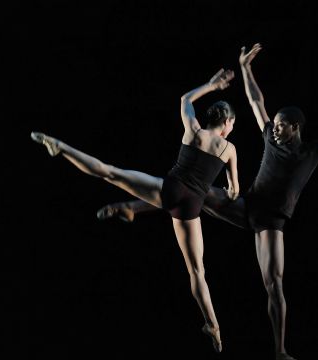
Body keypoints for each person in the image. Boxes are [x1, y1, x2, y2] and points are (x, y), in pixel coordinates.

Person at [96, 43, 318, 360]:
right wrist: (245, 67)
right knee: (191, 190)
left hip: (271, 222)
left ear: (295, 128)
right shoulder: (269, 134)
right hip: (246, 205)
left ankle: (280, 350)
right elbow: (255, 100)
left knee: (274, 284)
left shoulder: (313, 151)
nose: (275, 128)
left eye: (281, 125)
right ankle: (132, 208)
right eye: (274, 124)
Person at [31, 68, 240, 353]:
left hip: (168, 189)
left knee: (110, 172)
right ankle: (213, 326)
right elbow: (234, 189)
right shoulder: (229, 149)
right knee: (197, 271)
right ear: (227, 122)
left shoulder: (193, 131)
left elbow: (185, 99)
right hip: (191, 205)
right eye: (231, 124)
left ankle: (62, 148)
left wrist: (211, 85)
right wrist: (230, 190)